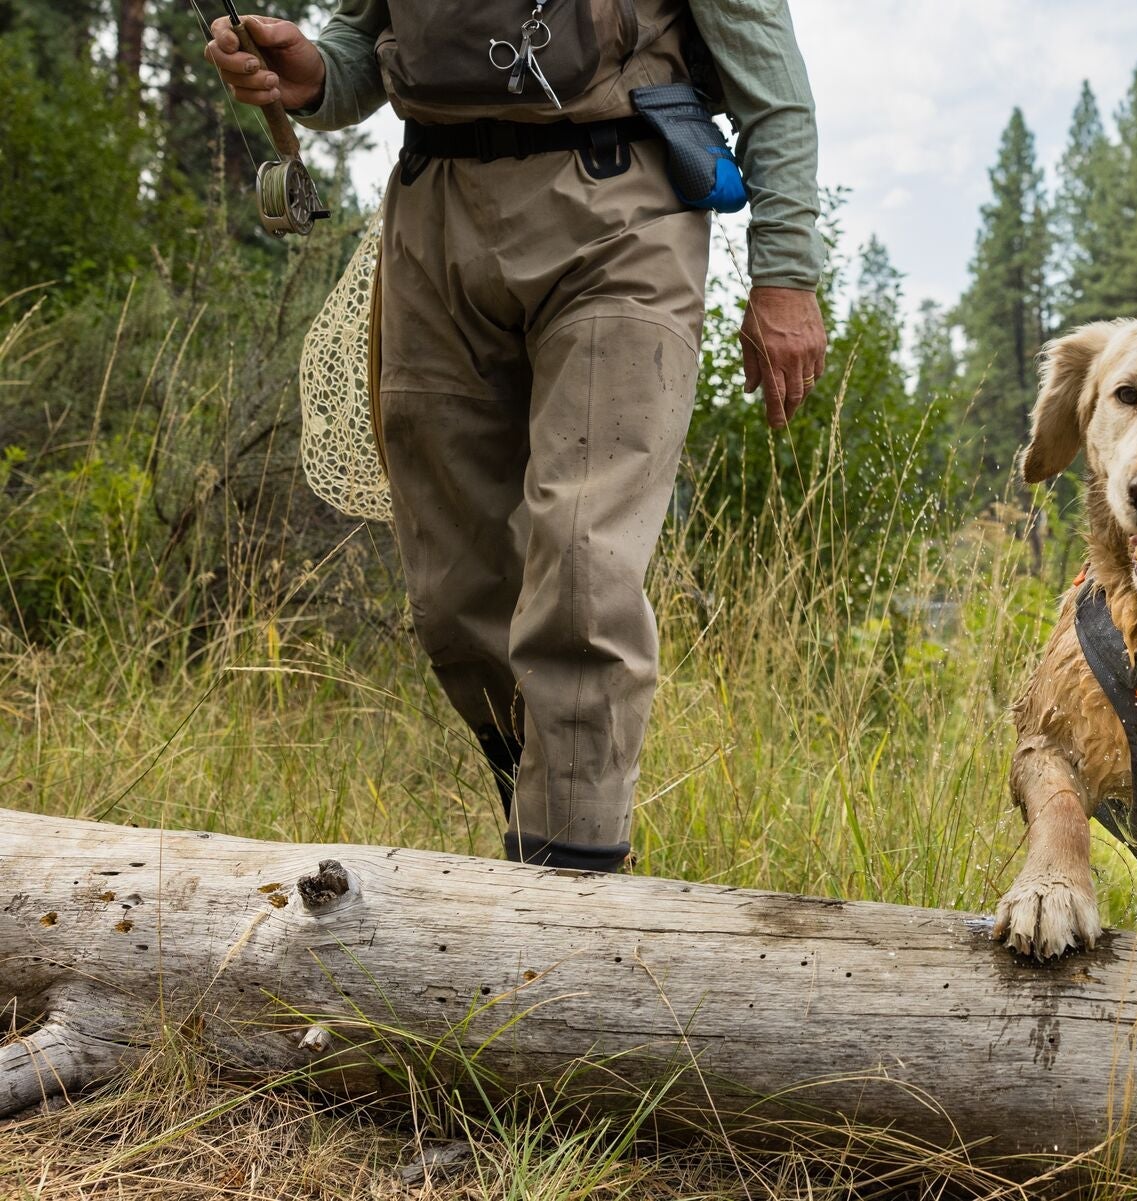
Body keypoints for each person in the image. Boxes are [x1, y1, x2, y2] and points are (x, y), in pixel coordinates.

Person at [207, 0, 825, 872]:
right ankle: (542, 816)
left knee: (581, 565)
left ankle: (568, 889)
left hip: (620, 211)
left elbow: (773, 81)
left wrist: (788, 272)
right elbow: (363, 46)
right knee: (454, 597)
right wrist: (311, 73)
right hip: (431, 219)